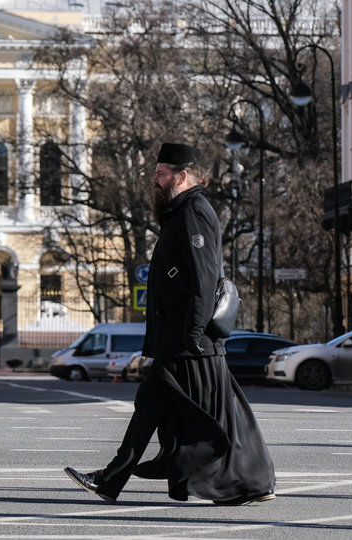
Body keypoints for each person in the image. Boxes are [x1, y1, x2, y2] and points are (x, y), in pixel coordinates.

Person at [64, 142, 275, 505]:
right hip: (181, 337)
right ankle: (245, 483)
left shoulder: (194, 211)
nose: (154, 180)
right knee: (206, 413)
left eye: (161, 174)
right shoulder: (181, 212)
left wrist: (192, 332)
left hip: (188, 339)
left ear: (183, 176)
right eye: (156, 173)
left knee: (200, 413)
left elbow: (203, 279)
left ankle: (113, 480)